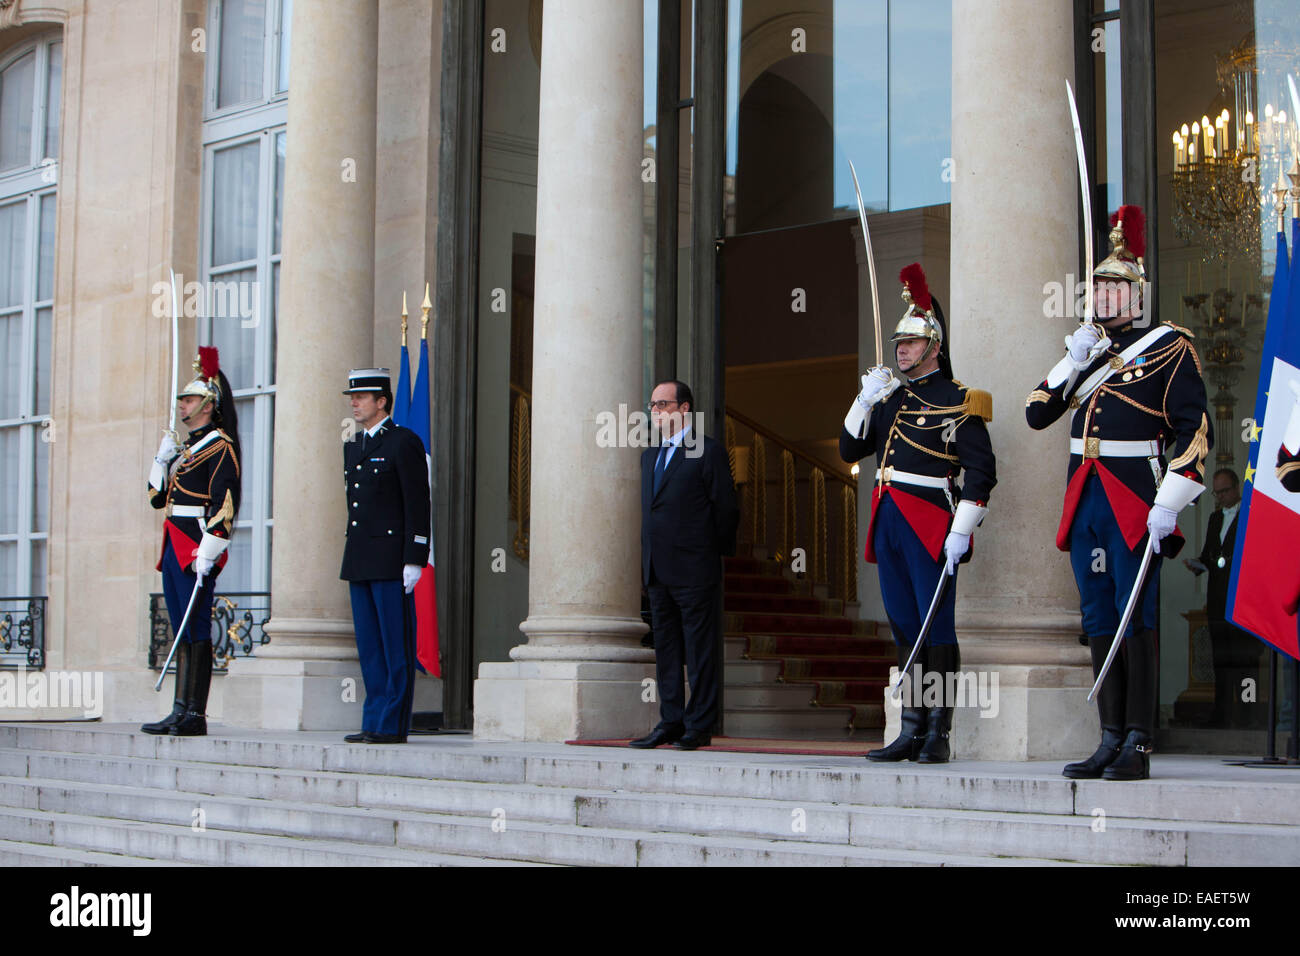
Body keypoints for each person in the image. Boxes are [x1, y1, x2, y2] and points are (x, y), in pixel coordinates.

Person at [1027, 205, 1212, 781]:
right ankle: (1107, 735)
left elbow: (1195, 429)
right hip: (1086, 496)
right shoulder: (1086, 353)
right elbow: (1036, 414)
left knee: (1138, 617)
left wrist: (1171, 499)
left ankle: (1139, 738)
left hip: (1137, 498)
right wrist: (1071, 361)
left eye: (1114, 288)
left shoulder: (1169, 346)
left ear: (1137, 296)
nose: (1104, 297)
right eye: (1098, 288)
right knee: (1098, 614)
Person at [839, 264, 996, 764]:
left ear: (934, 347)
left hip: (930, 522)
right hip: (888, 521)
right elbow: (848, 449)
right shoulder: (890, 398)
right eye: (899, 343)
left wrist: (963, 528)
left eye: (910, 343)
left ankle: (938, 734)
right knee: (905, 626)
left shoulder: (960, 400)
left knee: (936, 628)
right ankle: (910, 728)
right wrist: (864, 400)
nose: (901, 350)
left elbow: (981, 470)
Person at [630, 380, 739, 751]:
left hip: (695, 569)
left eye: (664, 404)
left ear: (685, 409)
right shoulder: (649, 456)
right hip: (657, 571)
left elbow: (726, 509)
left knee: (700, 651)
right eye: (653, 405)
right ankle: (671, 721)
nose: (656, 411)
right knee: (668, 652)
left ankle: (699, 725)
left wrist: (710, 555)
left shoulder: (707, 451)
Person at [142, 347, 241, 737]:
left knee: (195, 626)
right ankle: (178, 709)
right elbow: (155, 498)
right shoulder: (187, 450)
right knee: (181, 626)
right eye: (182, 399)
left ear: (208, 404)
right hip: (173, 541)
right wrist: (161, 460)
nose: (182, 405)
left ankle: (194, 715)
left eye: (189, 399)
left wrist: (211, 548)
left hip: (197, 545)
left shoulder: (220, 447)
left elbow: (225, 503)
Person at [340, 368, 431, 744]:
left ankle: (392, 723)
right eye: (352, 397)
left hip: (393, 558)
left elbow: (417, 501)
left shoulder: (402, 442)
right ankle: (373, 718)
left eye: (361, 397)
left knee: (395, 643)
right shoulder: (354, 446)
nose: (354, 402)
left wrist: (415, 556)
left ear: (382, 401)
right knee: (370, 646)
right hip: (361, 557)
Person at [1183, 469, 1262, 726]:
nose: (1222, 497)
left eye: (1225, 491)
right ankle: (1223, 715)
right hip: (1218, 600)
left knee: (1246, 660)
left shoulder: (1250, 514)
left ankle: (1249, 715)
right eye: (1217, 493)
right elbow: (1209, 554)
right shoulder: (1215, 518)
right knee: (1222, 660)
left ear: (1237, 487)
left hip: (1243, 600)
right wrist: (1197, 564)